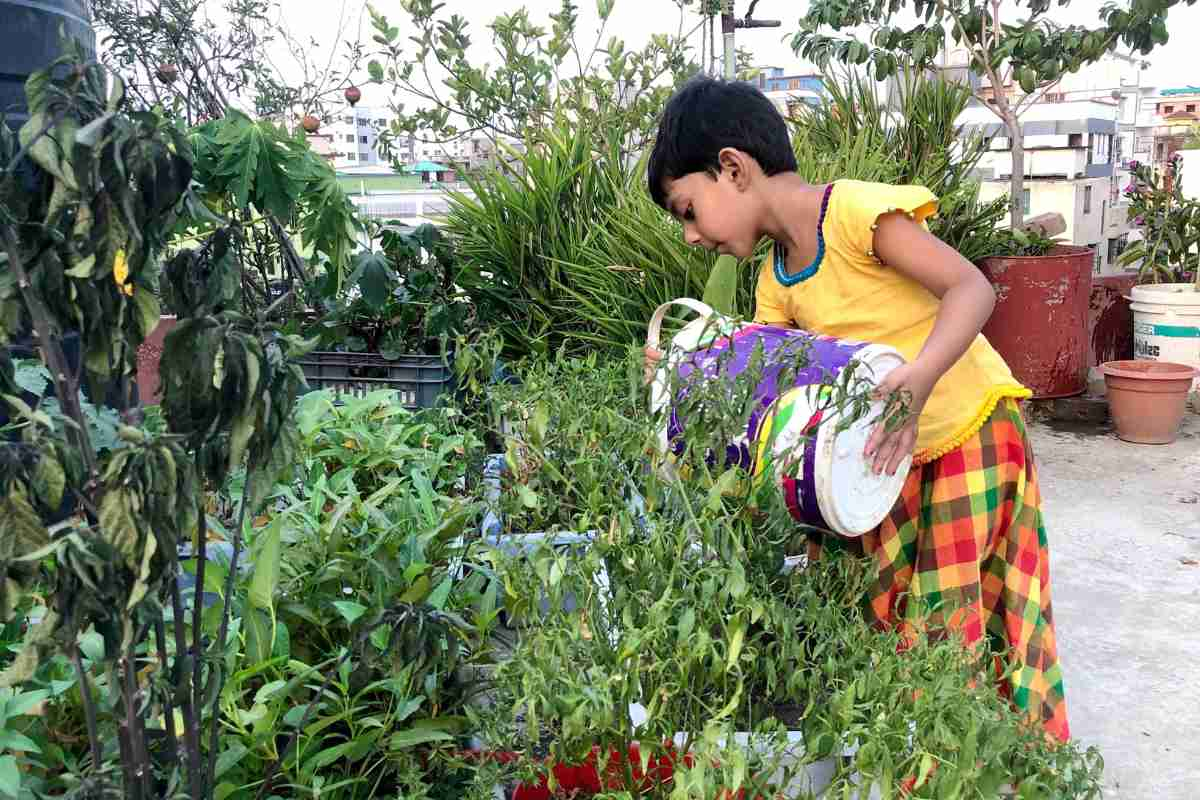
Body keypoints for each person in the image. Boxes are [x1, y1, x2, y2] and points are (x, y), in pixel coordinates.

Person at [643, 76, 1069, 742]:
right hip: (885, 457)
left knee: (954, 618)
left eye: (687, 209)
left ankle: (1007, 766)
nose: (692, 235)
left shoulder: (853, 214)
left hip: (968, 432)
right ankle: (927, 762)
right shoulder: (774, 280)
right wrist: (685, 376)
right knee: (882, 611)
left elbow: (972, 289)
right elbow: (769, 387)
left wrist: (919, 378)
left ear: (732, 168)